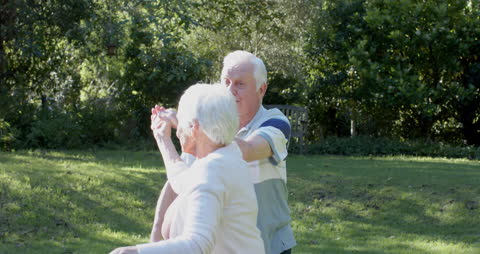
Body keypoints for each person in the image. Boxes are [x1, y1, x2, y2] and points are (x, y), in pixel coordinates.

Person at [150, 50, 296, 254]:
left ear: (261, 89)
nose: (230, 90)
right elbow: (180, 179)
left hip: (271, 244)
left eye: (240, 84)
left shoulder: (275, 123)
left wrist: (190, 125)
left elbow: (247, 149)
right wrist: (155, 235)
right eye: (225, 82)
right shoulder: (204, 127)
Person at [109, 84, 265, 254]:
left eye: (180, 122)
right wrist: (163, 139)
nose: (178, 131)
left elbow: (197, 244)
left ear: (194, 128)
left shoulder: (213, 168)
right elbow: (184, 181)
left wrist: (135, 252)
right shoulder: (227, 154)